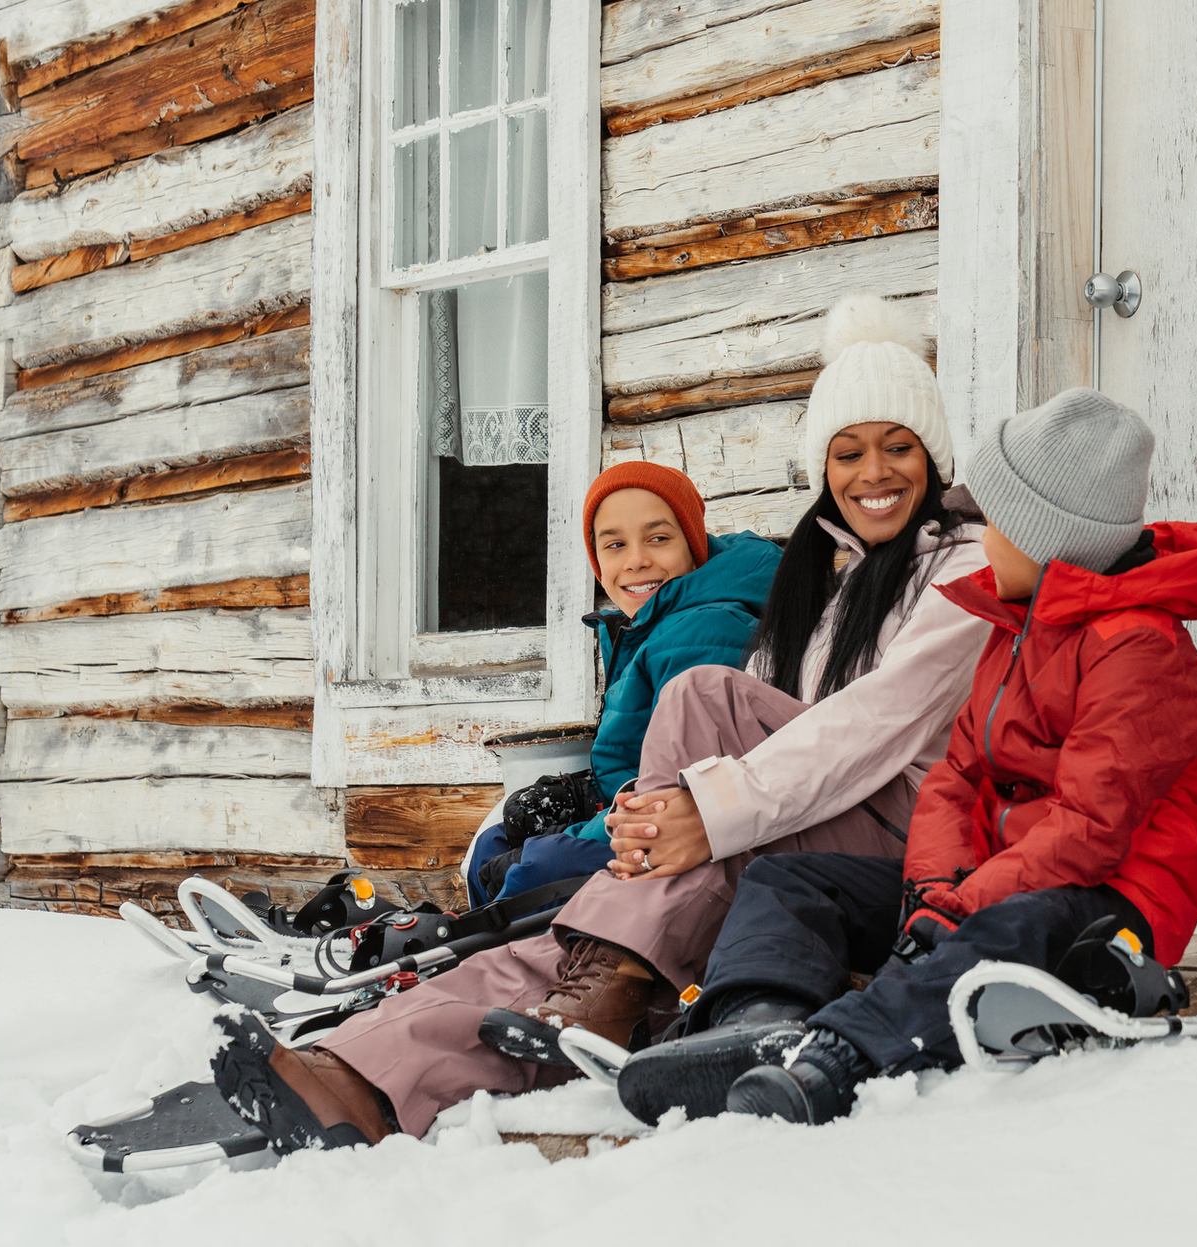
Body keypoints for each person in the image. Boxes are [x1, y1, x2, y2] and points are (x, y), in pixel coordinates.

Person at [209, 294, 995, 1153]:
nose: (872, 472)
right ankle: (353, 1074)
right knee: (578, 939)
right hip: (791, 818)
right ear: (823, 467)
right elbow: (768, 734)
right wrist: (662, 821)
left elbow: (865, 730)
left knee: (697, 706)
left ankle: (604, 974)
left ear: (934, 455)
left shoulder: (965, 571)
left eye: (897, 447)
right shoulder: (829, 578)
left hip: (886, 844)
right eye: (848, 452)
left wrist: (703, 814)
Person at [615, 387, 1197, 1127]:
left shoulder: (1139, 650)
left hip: (1111, 905)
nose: (974, 535)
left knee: (1001, 933)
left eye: (992, 520)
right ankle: (756, 1017)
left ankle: (837, 1057)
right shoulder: (1014, 629)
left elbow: (1089, 828)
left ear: (1046, 536)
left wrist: (964, 903)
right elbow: (955, 780)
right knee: (791, 879)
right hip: (988, 884)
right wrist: (932, 891)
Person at [464, 462, 780, 905]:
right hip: (628, 807)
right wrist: (584, 795)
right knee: (496, 842)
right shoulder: (651, 624)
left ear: (692, 543)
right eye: (615, 545)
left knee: (527, 871)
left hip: (678, 830)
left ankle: (508, 962)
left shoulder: (706, 630)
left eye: (658, 538)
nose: (636, 560)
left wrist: (576, 832)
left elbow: (677, 790)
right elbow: (635, 754)